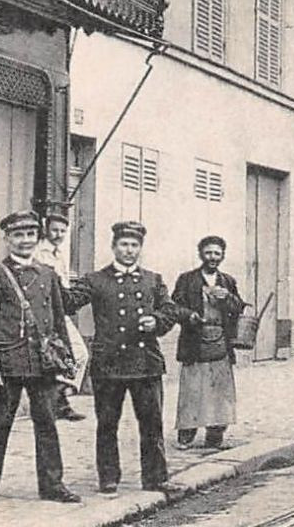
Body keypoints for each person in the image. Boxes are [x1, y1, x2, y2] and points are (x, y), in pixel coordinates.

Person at [0, 211, 79, 504]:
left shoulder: (48, 274)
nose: (25, 241)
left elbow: (59, 322)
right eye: (18, 235)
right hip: (8, 363)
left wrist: (65, 362)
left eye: (30, 235)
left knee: (47, 424)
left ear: (37, 238)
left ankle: (52, 486)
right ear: (7, 239)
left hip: (43, 363)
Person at [64, 221, 180, 495]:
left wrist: (158, 320)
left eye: (134, 245)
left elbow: (170, 310)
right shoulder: (95, 280)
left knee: (151, 424)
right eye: (124, 245)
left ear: (140, 248)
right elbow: (69, 303)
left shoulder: (153, 279)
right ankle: (108, 477)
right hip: (109, 364)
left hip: (146, 363)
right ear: (113, 247)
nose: (129, 250)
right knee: (107, 424)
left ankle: (155, 478)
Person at [172, 235, 248, 450]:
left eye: (217, 253)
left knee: (220, 390)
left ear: (222, 255)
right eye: (208, 253)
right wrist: (190, 316)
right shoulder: (187, 280)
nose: (212, 257)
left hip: (220, 341)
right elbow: (174, 307)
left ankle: (215, 437)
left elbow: (239, 308)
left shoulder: (227, 281)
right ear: (200, 254)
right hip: (194, 340)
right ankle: (186, 435)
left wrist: (227, 298)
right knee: (192, 389)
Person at [32, 209, 87, 421]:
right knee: (68, 354)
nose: (58, 235)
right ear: (46, 229)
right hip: (45, 313)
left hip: (60, 310)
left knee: (76, 355)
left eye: (63, 231)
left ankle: (60, 398)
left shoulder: (59, 253)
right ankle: (60, 402)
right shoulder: (40, 252)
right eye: (54, 230)